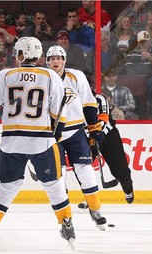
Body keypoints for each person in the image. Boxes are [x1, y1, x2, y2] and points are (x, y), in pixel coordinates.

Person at [0, 37, 75, 250]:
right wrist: (55, 136)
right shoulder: (50, 76)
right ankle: (67, 224)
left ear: (20, 55)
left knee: (7, 186)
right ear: (40, 56)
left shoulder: (6, 75)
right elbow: (59, 112)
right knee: (54, 184)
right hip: (42, 141)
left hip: (12, 141)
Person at [46, 45, 107, 230]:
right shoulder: (43, 78)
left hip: (75, 132)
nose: (55, 61)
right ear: (47, 61)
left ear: (64, 60)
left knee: (86, 172)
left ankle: (95, 210)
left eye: (59, 58)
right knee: (59, 177)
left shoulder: (77, 76)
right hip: (52, 134)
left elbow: (89, 104)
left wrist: (94, 128)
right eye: (52, 58)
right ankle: (65, 218)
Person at [124, 30, 152, 115]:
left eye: (145, 42)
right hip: (136, 81)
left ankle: (150, 105)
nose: (143, 44)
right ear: (138, 43)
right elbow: (128, 68)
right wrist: (138, 78)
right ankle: (135, 107)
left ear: (150, 42)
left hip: (150, 79)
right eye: (141, 42)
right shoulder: (132, 53)